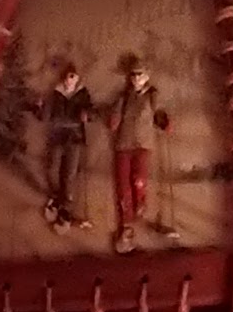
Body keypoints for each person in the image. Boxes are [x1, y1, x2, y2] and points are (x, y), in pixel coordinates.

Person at [104, 48, 168, 246]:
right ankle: (126, 225)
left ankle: (140, 203)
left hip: (142, 142)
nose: (136, 78)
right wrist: (114, 119)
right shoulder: (124, 97)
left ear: (146, 76)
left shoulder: (152, 95)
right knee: (123, 185)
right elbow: (114, 117)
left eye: (140, 74)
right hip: (124, 143)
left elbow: (158, 113)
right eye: (133, 74)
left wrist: (163, 121)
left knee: (138, 178)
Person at [36, 51, 97, 230]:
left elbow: (92, 112)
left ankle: (65, 210)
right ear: (64, 78)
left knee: (69, 174)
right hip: (57, 135)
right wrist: (39, 108)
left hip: (75, 137)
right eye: (68, 77)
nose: (70, 80)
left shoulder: (82, 94)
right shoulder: (55, 94)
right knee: (52, 169)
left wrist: (87, 115)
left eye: (73, 77)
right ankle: (57, 198)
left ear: (77, 78)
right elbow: (44, 116)